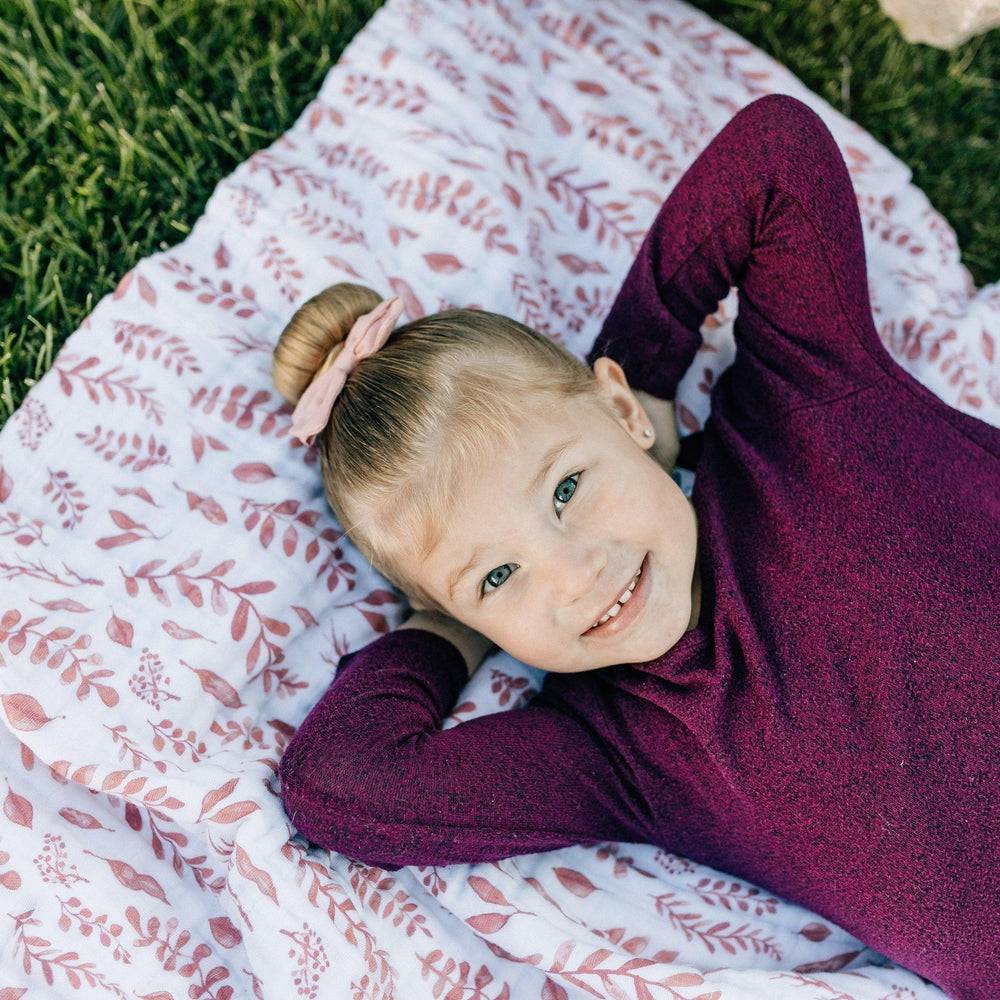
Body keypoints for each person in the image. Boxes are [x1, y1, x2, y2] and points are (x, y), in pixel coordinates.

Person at [272, 93, 1000, 998]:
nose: (574, 574)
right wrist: (444, 629)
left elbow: (775, 154)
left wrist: (644, 369)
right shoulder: (621, 751)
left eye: (569, 489)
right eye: (499, 575)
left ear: (614, 410)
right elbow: (337, 786)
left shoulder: (801, 411)